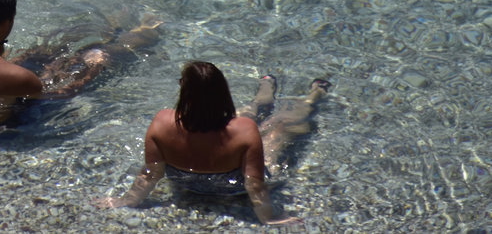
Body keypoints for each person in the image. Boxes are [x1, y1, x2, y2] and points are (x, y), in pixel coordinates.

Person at [94, 60, 331, 226]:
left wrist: (126, 201)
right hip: (231, 187)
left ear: (184, 91)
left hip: (183, 181)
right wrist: (267, 218)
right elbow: (254, 183)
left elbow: (150, 174)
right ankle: (313, 95)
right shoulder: (243, 130)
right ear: (223, 92)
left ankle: (266, 88)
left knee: (245, 116)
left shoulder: (162, 121)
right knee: (280, 126)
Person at [0, 0, 162, 128]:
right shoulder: (20, 78)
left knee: (40, 53)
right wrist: (91, 70)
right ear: (6, 23)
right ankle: (147, 33)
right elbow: (64, 93)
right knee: (95, 56)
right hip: (4, 125)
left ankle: (116, 32)